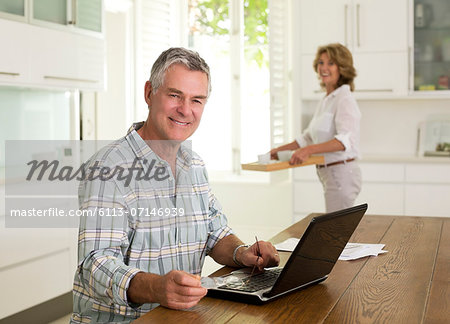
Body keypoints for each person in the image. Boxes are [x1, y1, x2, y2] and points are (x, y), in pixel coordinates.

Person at [71, 47, 279, 323]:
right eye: (174, 95)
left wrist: (244, 254)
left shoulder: (194, 165)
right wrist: (157, 288)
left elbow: (215, 234)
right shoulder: (108, 169)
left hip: (180, 317)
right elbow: (96, 265)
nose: (185, 110)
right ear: (149, 93)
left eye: (196, 100)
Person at [271, 43, 361, 213]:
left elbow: (345, 141)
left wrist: (308, 150)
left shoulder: (344, 99)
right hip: (329, 175)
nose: (323, 68)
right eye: (321, 63)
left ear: (342, 68)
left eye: (330, 63)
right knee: (336, 229)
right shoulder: (326, 100)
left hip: (342, 175)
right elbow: (308, 137)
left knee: (337, 231)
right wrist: (279, 150)